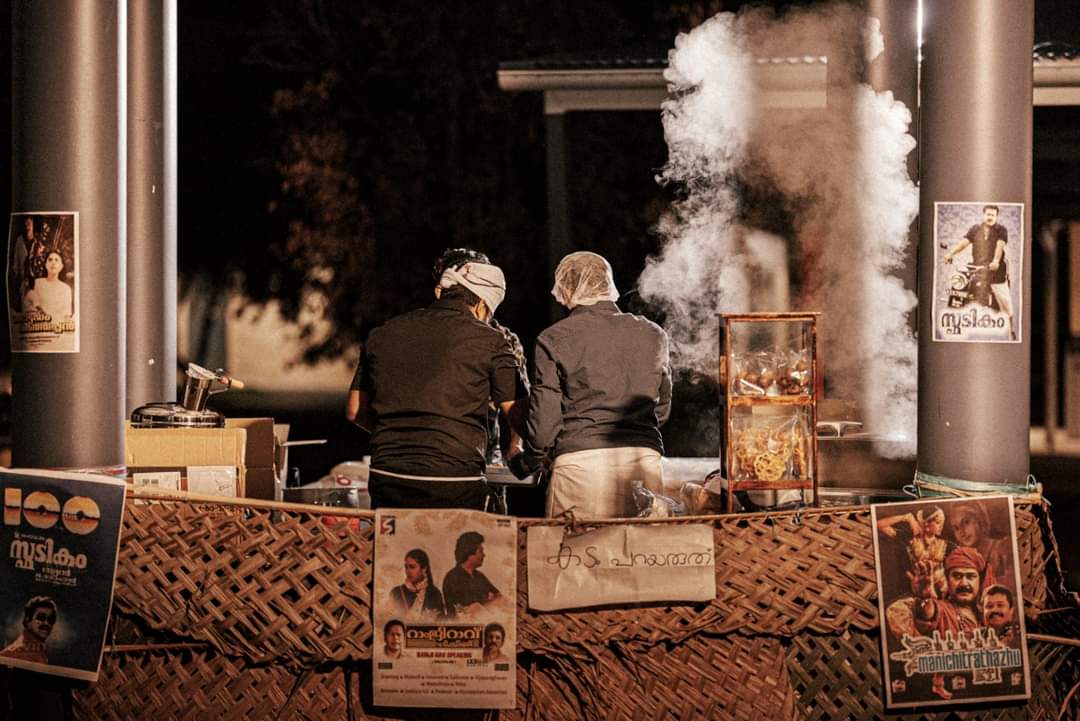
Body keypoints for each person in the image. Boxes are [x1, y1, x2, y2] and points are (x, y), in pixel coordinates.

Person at [347, 257, 528, 510]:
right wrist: (528, 449)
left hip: (388, 478)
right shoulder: (492, 341)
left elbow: (355, 410)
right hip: (453, 482)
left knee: (397, 538)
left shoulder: (382, 333)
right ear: (481, 305)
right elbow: (517, 413)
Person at [514, 251, 672, 518]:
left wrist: (527, 462)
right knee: (641, 544)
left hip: (580, 469)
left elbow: (544, 427)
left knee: (574, 546)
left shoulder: (553, 339)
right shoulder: (653, 334)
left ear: (566, 288)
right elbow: (662, 410)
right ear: (608, 285)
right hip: (643, 465)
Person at [943, 204, 1014, 338]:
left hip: (996, 271)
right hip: (977, 268)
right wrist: (951, 254)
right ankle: (954, 323)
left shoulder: (1001, 230)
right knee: (960, 288)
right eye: (988, 214)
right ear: (983, 215)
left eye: (993, 215)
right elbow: (964, 243)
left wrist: (996, 261)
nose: (990, 217)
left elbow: (1000, 246)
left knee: (1005, 301)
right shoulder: (975, 229)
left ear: (996, 216)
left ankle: (1011, 331)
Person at [876, 505, 949, 596]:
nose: (941, 526)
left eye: (941, 523)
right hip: (918, 588)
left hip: (942, 590)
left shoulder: (944, 544)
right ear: (926, 523)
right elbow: (879, 525)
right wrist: (905, 517)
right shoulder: (909, 538)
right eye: (938, 522)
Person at [946, 501, 1012, 590]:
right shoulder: (960, 558)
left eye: (966, 522)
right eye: (956, 528)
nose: (961, 532)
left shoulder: (1002, 548)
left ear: (980, 519)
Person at [442, 531, 500, 618]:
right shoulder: (452, 578)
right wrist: (489, 601)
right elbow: (473, 609)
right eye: (480, 551)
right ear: (469, 554)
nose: (484, 555)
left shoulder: (479, 576)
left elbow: (499, 598)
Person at [389, 548, 445, 618]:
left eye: (412, 567)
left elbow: (441, 621)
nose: (408, 571)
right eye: (406, 567)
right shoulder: (396, 592)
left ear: (424, 569)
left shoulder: (434, 594)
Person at [0, 596, 56, 665]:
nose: (46, 623)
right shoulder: (13, 653)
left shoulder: (38, 651)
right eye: (41, 618)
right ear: (28, 621)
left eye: (51, 619)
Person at [22, 250, 73, 320]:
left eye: (56, 260)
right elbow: (28, 305)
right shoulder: (37, 283)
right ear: (45, 264)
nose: (53, 263)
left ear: (61, 266)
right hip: (40, 324)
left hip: (58, 325)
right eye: (50, 260)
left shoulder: (66, 289)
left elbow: (66, 315)